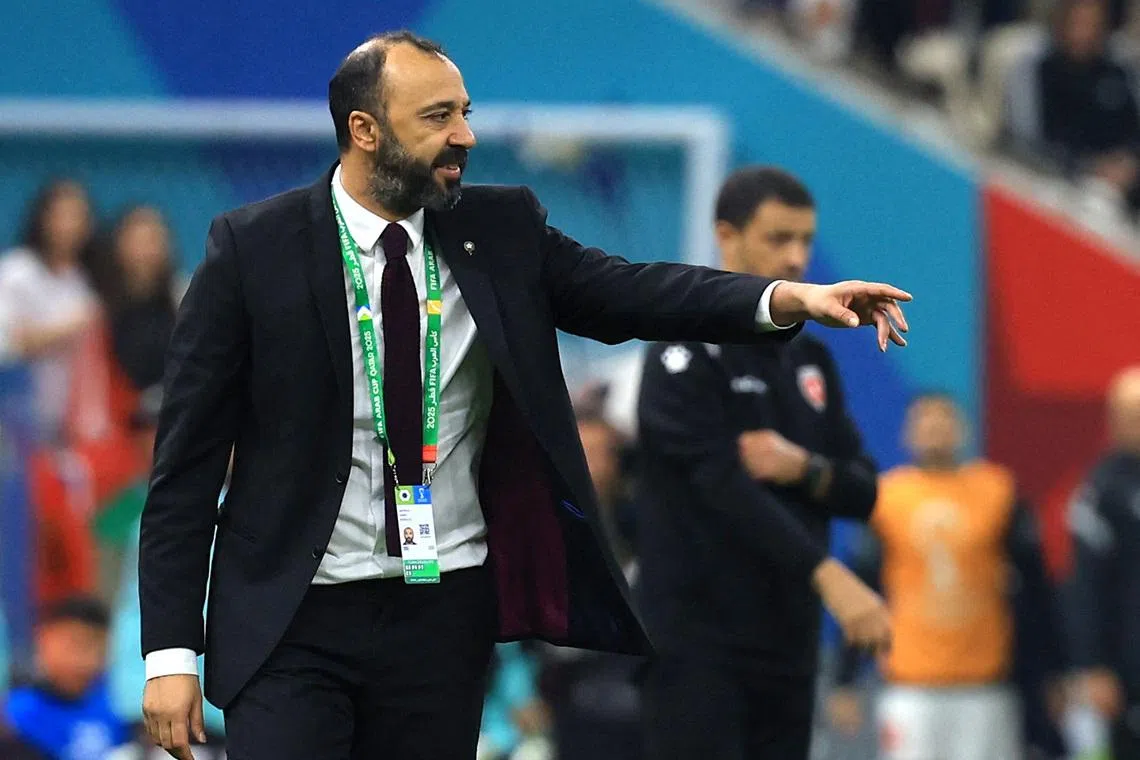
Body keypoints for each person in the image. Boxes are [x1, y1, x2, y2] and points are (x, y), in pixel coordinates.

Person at [138, 31, 911, 760]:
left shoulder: (500, 228)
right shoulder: (251, 249)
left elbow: (633, 292)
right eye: (438, 117)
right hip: (293, 619)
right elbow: (186, 466)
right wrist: (170, 652)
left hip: (442, 615)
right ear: (366, 131)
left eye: (464, 113)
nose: (465, 136)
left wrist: (783, 299)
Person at [636, 166, 888, 760]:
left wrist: (804, 468)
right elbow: (719, 483)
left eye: (805, 240)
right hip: (697, 646)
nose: (798, 258)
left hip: (788, 642)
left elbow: (865, 489)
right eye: (780, 239)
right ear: (728, 235)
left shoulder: (811, 359)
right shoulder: (683, 351)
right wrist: (827, 574)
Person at [827, 393, 1064, 760]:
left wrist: (1052, 671)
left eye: (945, 419)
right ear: (908, 433)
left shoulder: (997, 492)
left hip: (984, 683)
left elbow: (1035, 588)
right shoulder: (887, 498)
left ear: (963, 430)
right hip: (910, 684)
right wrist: (846, 677)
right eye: (925, 419)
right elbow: (862, 591)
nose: (936, 427)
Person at [1064, 365, 1140, 759]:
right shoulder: (1101, 490)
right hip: (1128, 673)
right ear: (1113, 420)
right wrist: (1092, 664)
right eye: (1129, 414)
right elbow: (1085, 587)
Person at [1039, 0, 1140, 215]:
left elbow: (1133, 135)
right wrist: (1090, 167)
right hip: (1058, 184)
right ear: (1062, 23)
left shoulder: (1119, 72)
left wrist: (1128, 166)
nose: (1083, 33)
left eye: (1092, 24)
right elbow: (1030, 142)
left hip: (1119, 190)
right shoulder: (1041, 69)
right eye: (1077, 23)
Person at [4, 596, 133, 760]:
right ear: (44, 640)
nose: (88, 661)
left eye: (100, 650)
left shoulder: (118, 707)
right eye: (76, 645)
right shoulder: (15, 716)